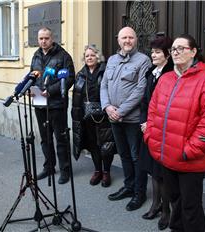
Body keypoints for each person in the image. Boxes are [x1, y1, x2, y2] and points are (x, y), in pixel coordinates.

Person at [144, 34, 205, 232]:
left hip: (189, 159)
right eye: (173, 49)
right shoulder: (166, 79)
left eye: (182, 48)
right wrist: (151, 139)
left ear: (194, 52)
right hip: (165, 156)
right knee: (174, 203)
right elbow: (153, 111)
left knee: (191, 208)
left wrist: (188, 151)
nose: (176, 52)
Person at [100, 26, 151, 211]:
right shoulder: (112, 60)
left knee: (136, 157)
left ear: (135, 40)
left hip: (132, 119)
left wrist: (120, 111)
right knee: (123, 155)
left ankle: (139, 192)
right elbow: (104, 84)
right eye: (124, 37)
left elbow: (140, 90)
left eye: (131, 37)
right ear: (118, 40)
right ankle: (128, 187)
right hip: (113, 117)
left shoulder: (143, 60)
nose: (127, 41)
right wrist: (107, 106)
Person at [30, 27, 75, 184]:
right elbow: (33, 76)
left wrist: (50, 91)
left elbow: (69, 79)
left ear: (52, 38)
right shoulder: (36, 56)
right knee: (45, 139)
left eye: (46, 38)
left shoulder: (63, 56)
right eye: (41, 38)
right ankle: (49, 166)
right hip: (39, 103)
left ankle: (65, 170)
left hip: (56, 104)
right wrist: (31, 89)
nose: (43, 41)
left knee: (60, 138)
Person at [139, 36, 173, 230]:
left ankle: (167, 211)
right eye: (152, 52)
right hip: (148, 127)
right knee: (153, 170)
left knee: (163, 172)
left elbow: (167, 105)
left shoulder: (170, 73)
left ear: (167, 54)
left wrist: (153, 125)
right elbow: (145, 101)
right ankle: (156, 204)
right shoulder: (151, 72)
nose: (153, 55)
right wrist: (144, 121)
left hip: (163, 130)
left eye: (157, 52)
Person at [71, 45, 116, 187]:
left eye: (92, 55)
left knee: (106, 145)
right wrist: (76, 115)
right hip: (87, 116)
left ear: (98, 56)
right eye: (87, 56)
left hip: (104, 114)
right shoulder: (80, 74)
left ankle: (107, 172)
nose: (89, 58)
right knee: (93, 145)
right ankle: (98, 171)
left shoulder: (106, 71)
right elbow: (76, 97)